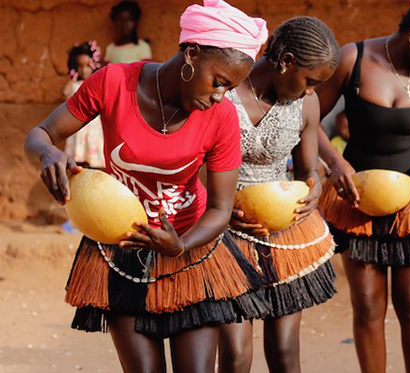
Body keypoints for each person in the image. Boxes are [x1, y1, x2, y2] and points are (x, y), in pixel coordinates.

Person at [24, 1, 270, 371]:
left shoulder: (221, 117)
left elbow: (220, 209)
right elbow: (41, 134)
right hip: (122, 252)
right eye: (218, 82)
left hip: (191, 250)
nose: (221, 96)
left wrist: (180, 244)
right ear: (192, 54)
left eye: (230, 88)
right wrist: (47, 154)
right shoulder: (113, 83)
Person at [315, 1, 410, 372]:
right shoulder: (353, 59)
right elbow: (308, 119)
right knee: (367, 306)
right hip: (358, 199)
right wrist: (336, 163)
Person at [217, 17, 340, 373]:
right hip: (225, 230)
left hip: (282, 232)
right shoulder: (223, 91)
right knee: (236, 355)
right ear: (286, 61)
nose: (310, 91)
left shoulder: (306, 106)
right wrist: (220, 210)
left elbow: (306, 171)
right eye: (309, 81)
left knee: (286, 352)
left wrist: (313, 187)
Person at [63, 41, 105, 169]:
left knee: (93, 165)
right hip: (78, 129)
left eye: (88, 65)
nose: (84, 69)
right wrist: (73, 76)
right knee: (78, 164)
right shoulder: (75, 85)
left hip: (94, 130)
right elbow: (65, 93)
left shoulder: (97, 83)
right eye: (80, 66)